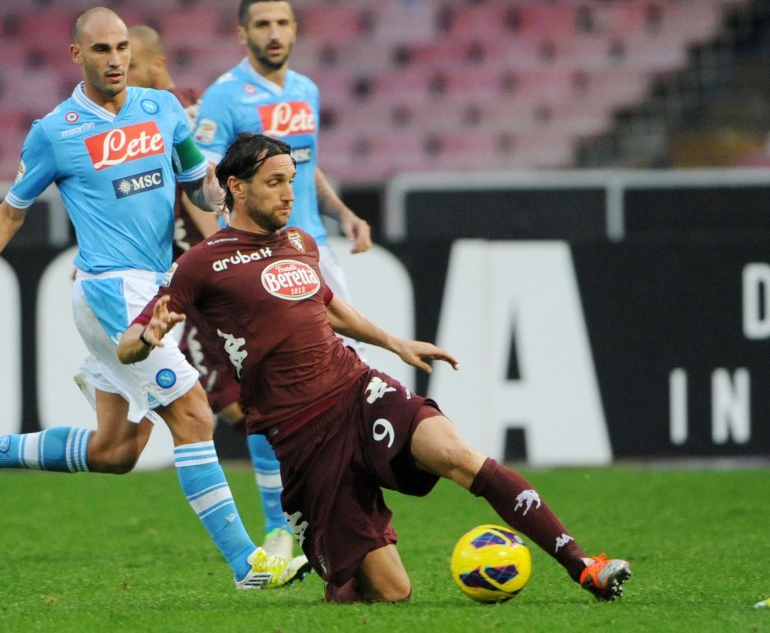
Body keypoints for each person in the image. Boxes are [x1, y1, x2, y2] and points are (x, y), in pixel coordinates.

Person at [117, 133, 633, 604]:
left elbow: (328, 306)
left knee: (458, 455)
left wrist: (394, 343)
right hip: (301, 433)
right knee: (391, 593)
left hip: (357, 388)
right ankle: (339, 574)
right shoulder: (202, 263)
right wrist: (147, 335)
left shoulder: (300, 242)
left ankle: (583, 564)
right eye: (274, 183)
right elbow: (127, 346)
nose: (288, 194)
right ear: (237, 187)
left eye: (291, 182)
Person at [0, 7, 310, 591]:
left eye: (122, 47)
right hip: (108, 291)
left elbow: (197, 185)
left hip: (154, 289)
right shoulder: (56, 130)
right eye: (101, 49)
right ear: (77, 55)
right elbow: (10, 212)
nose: (116, 58)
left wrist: (232, 218)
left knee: (114, 451)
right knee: (196, 416)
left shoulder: (163, 110)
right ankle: (247, 564)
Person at [192, 0, 375, 558]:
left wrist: (342, 212)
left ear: (296, 30)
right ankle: (282, 525)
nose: (274, 32)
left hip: (313, 248)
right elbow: (204, 185)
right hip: (260, 260)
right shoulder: (223, 98)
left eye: (283, 22)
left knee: (345, 383)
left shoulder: (307, 91)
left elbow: (303, 166)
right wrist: (225, 250)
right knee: (272, 391)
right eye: (263, 23)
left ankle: (347, 511)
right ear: (242, 33)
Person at [127, 23, 293, 558]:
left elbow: (211, 197)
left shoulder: (177, 118)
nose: (120, 79)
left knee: (243, 403)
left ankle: (282, 524)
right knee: (232, 406)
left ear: (153, 64)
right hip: (181, 279)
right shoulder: (150, 115)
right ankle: (288, 517)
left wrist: (226, 254)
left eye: (129, 66)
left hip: (203, 276)